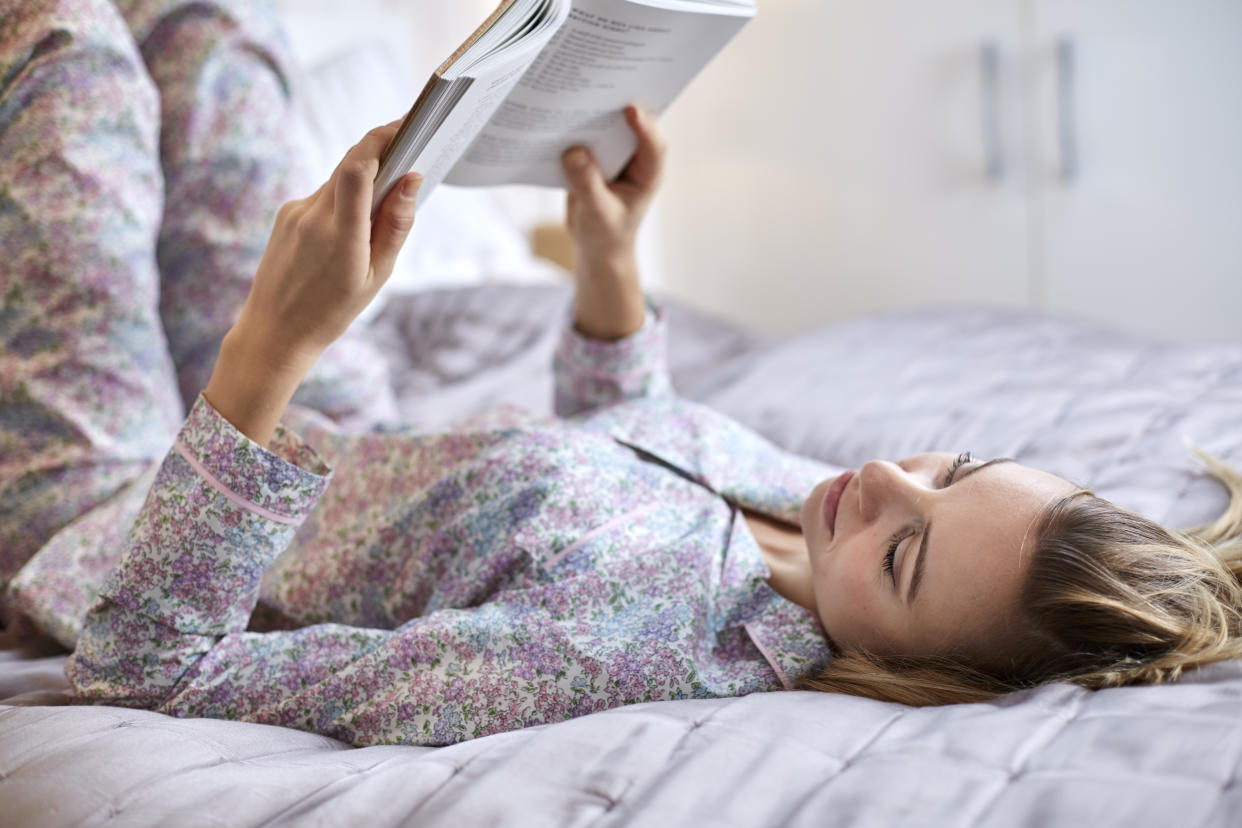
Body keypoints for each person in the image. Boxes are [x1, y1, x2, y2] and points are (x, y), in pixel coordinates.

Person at [3, 0, 1241, 748]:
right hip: (331, 409)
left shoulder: (611, 653)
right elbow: (627, 439)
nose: (877, 481)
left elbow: (153, 670)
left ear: (917, 673)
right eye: (947, 470)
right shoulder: (821, 512)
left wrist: (269, 346)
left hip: (113, 517)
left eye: (904, 555)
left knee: (69, 55)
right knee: (225, 30)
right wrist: (611, 259)